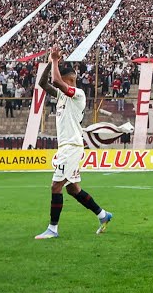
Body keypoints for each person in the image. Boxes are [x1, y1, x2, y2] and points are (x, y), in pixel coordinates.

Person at [33, 46, 113, 239]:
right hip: (68, 147)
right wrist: (50, 60)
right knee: (73, 189)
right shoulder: (62, 95)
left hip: (72, 147)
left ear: (69, 80)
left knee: (55, 186)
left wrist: (54, 61)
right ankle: (103, 215)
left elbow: (55, 81)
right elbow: (43, 83)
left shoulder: (77, 94)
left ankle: (53, 229)